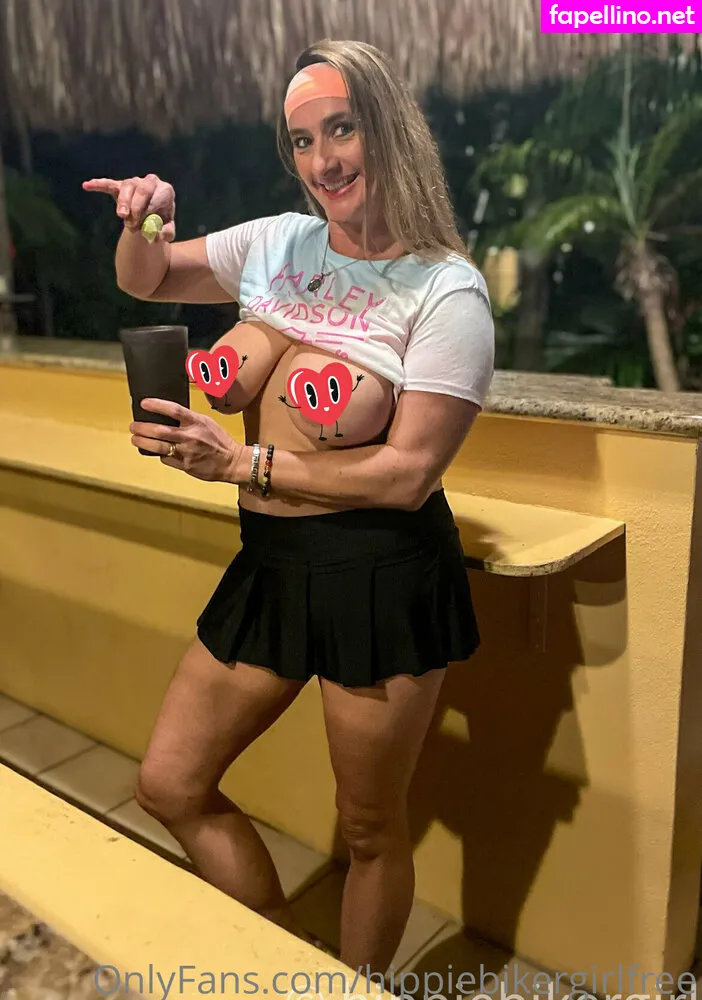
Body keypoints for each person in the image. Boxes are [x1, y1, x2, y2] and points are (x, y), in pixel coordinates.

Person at [82, 39, 494, 979]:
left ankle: (351, 990)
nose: (323, 160)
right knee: (170, 783)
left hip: (381, 572)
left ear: (387, 129)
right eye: (303, 141)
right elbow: (145, 278)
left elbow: (408, 474)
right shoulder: (276, 243)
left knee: (369, 828)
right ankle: (285, 964)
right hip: (271, 565)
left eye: (342, 129)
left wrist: (241, 462)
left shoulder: (447, 290)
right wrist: (147, 221)